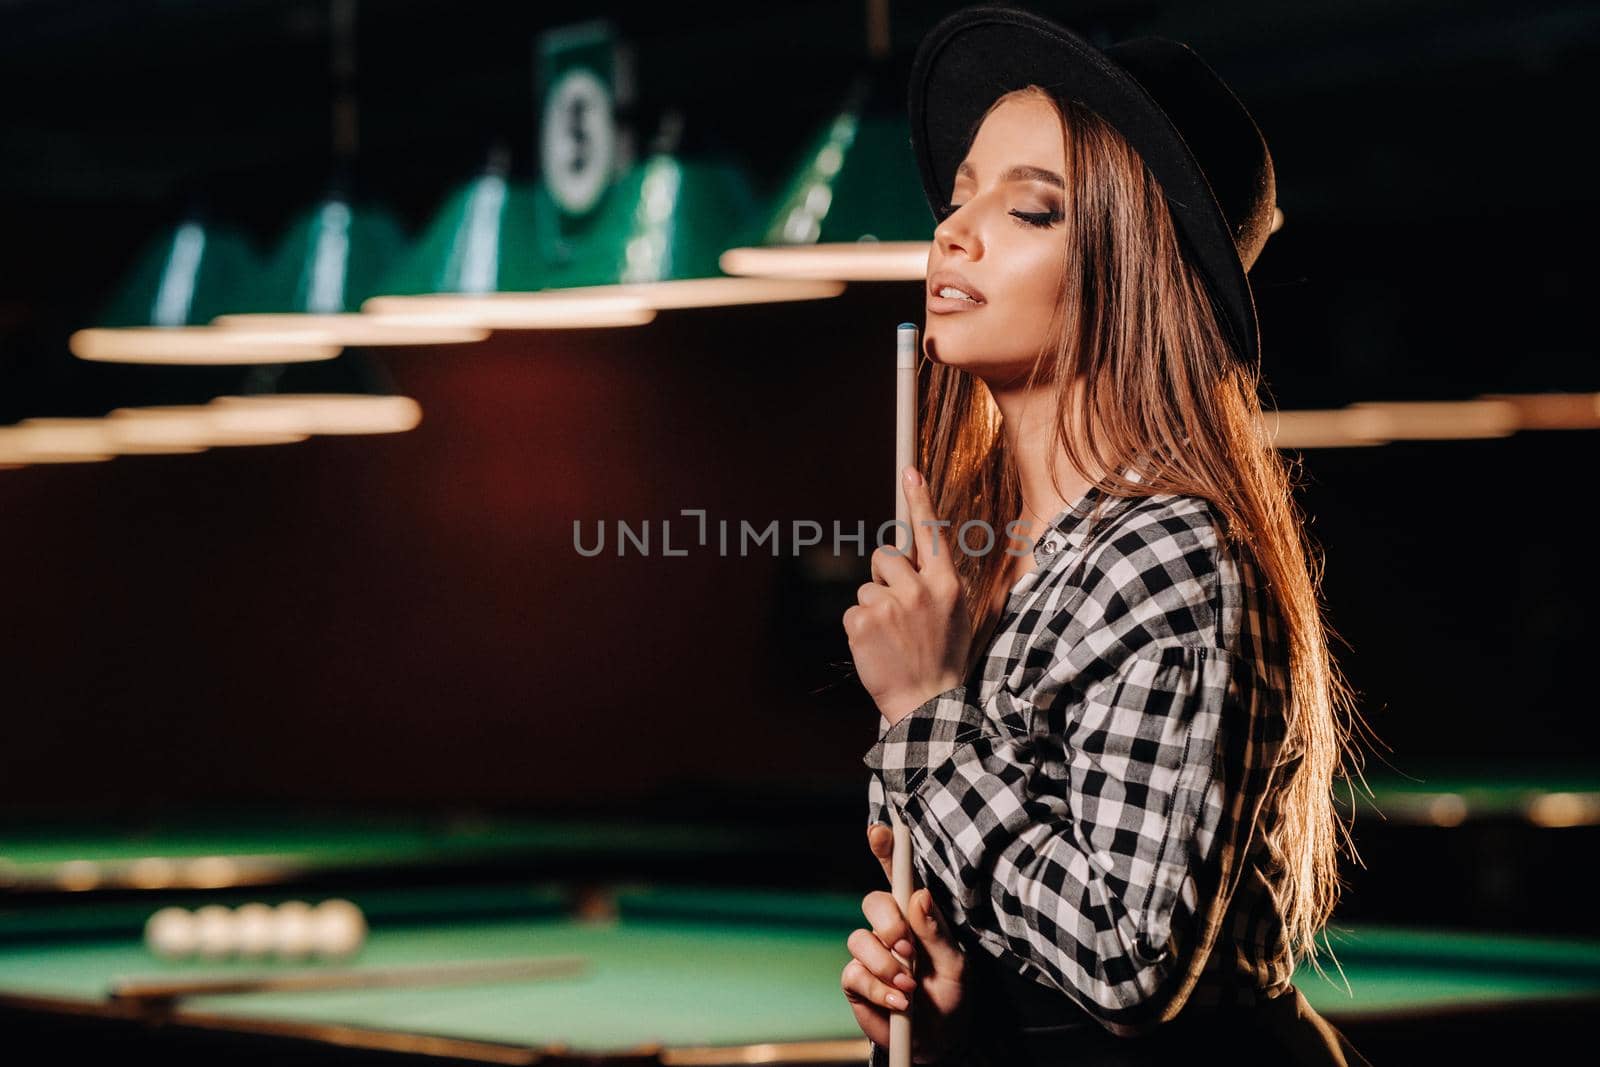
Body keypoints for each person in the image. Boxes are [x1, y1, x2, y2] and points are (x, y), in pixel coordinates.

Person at [838, 6, 1374, 1065]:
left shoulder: (1165, 551)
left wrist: (925, 713)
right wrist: (952, 1013)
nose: (955, 228)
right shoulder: (1002, 558)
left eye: (1029, 210)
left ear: (1134, 269)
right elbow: (1032, 939)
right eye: (959, 197)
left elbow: (1128, 966)